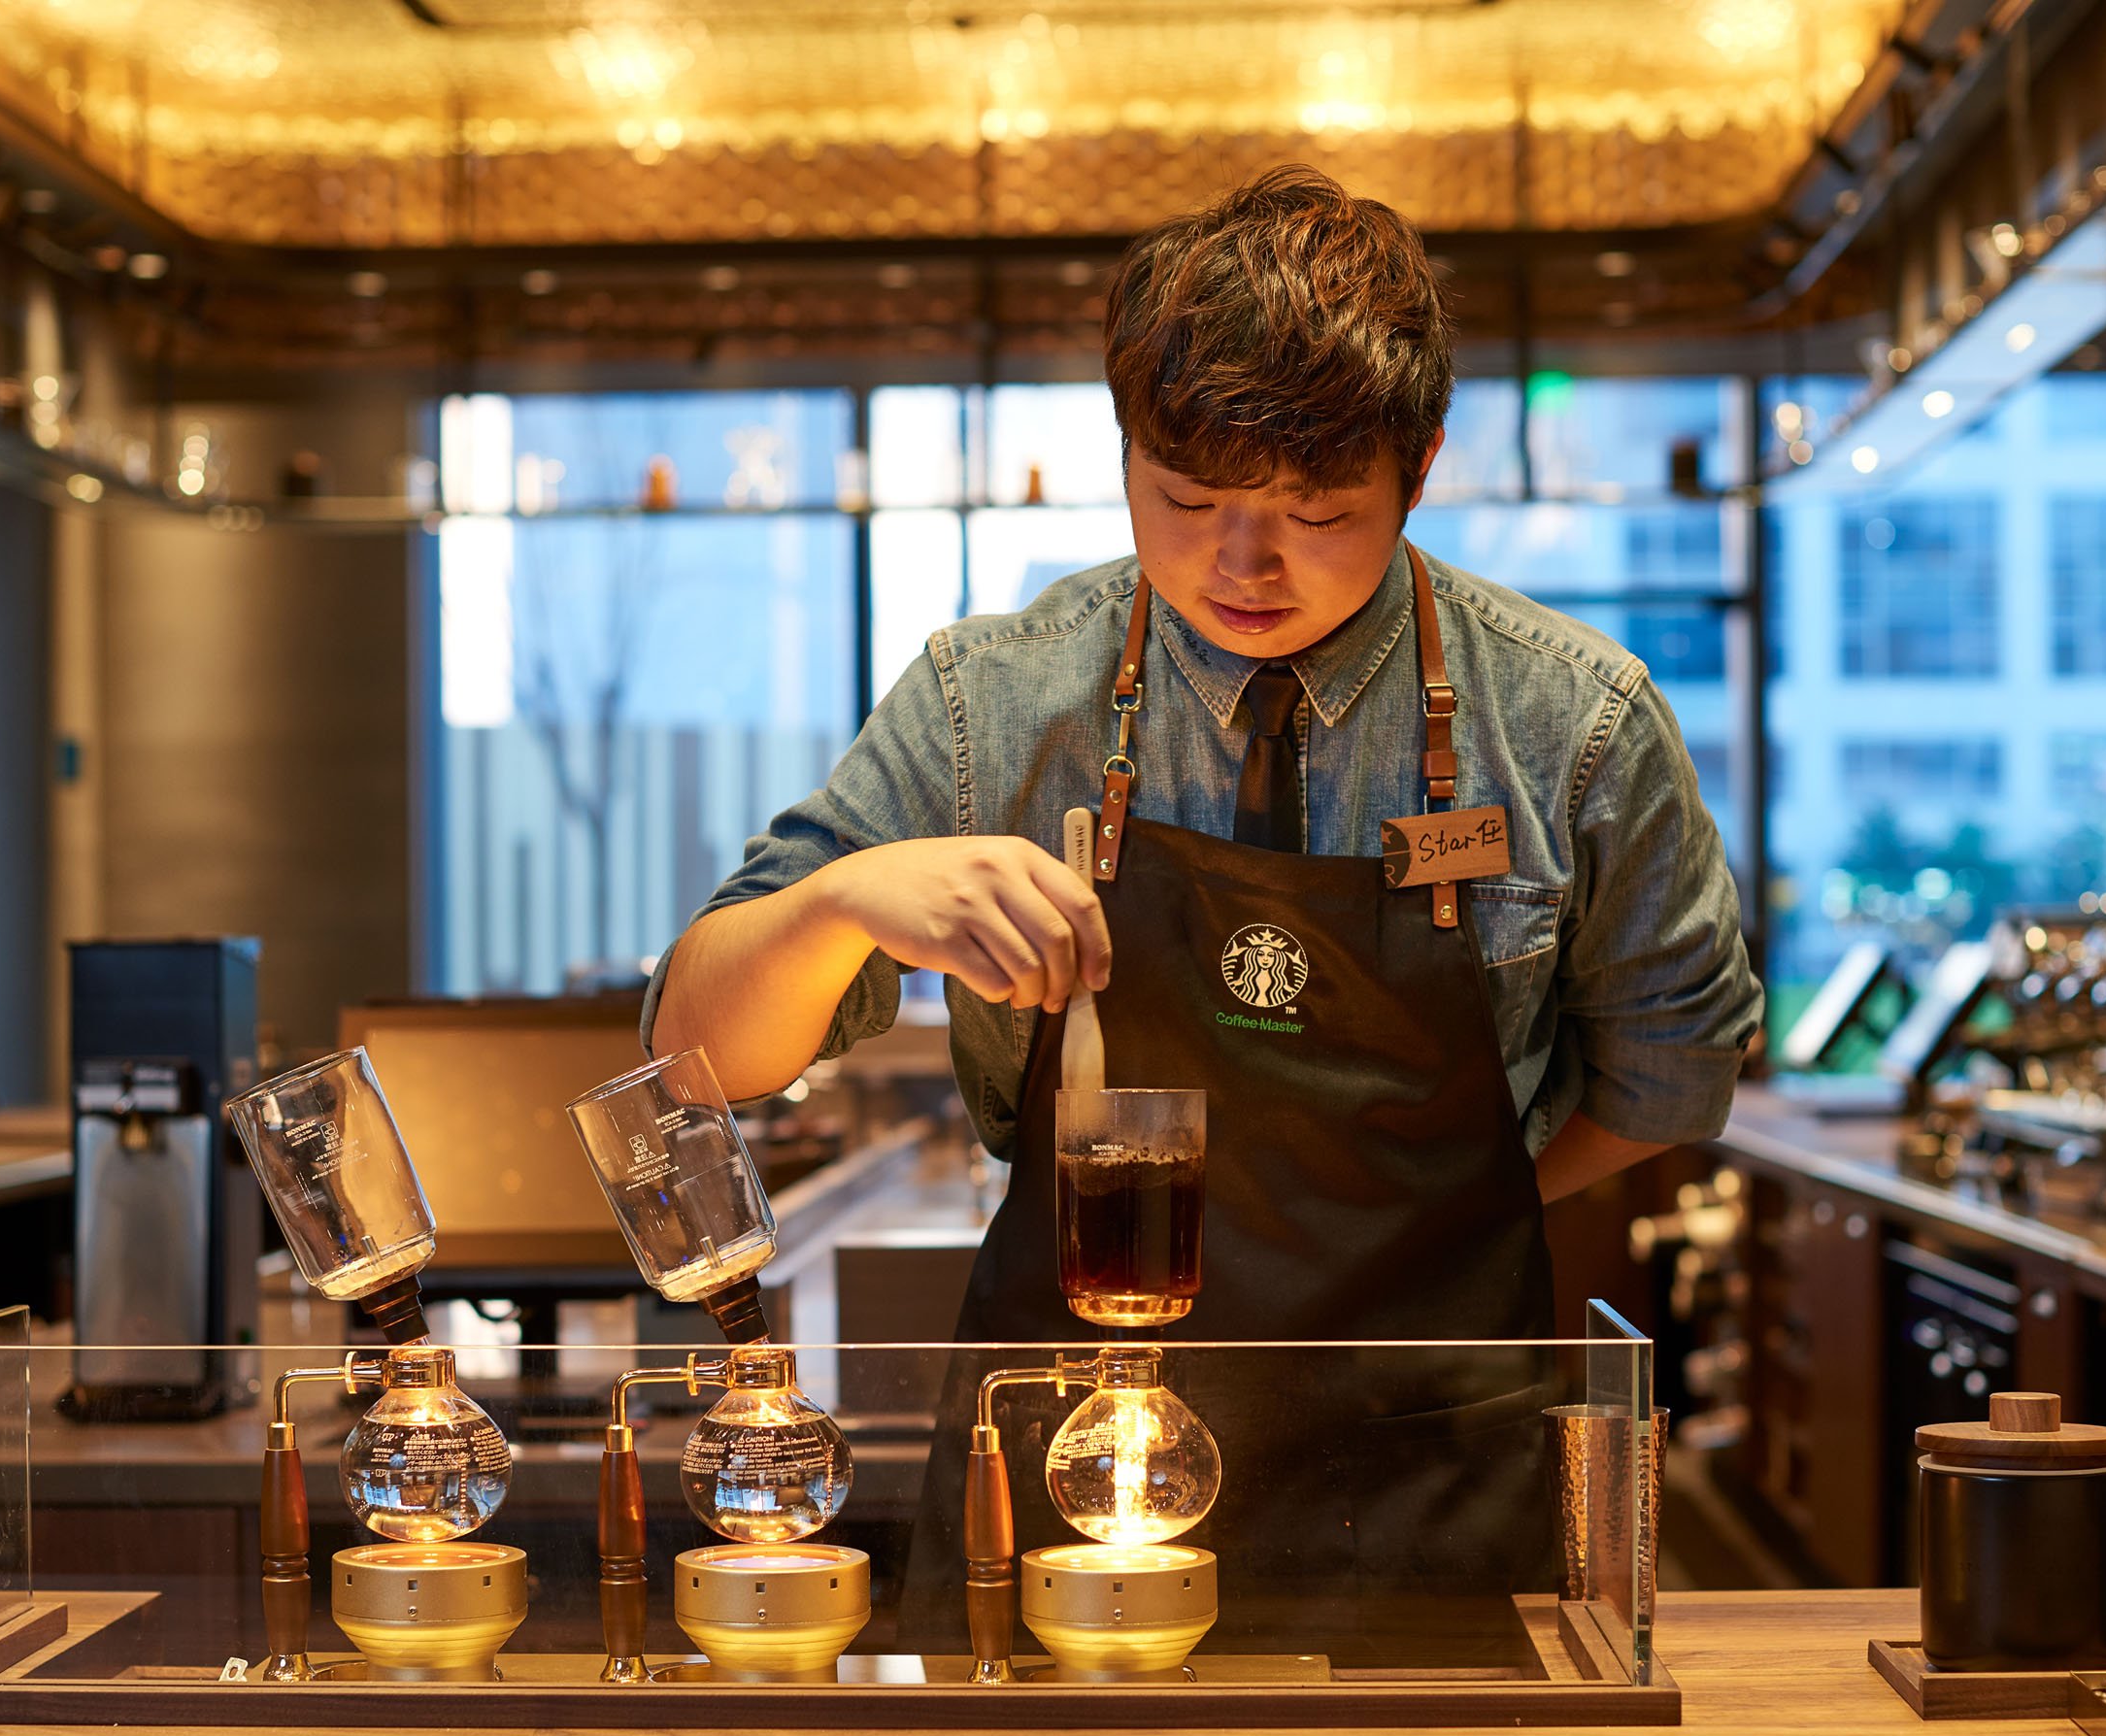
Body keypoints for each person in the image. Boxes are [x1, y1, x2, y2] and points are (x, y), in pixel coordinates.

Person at [645, 165, 1760, 1654]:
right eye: (1188, 501)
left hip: (1430, 1449)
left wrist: (1448, 1204)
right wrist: (851, 900)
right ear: (1125, 454)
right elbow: (698, 1055)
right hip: (1065, 1454)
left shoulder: (1575, 725)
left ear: (1418, 466)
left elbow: (1674, 1076)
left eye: (1316, 508)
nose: (1245, 563)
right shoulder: (997, 703)